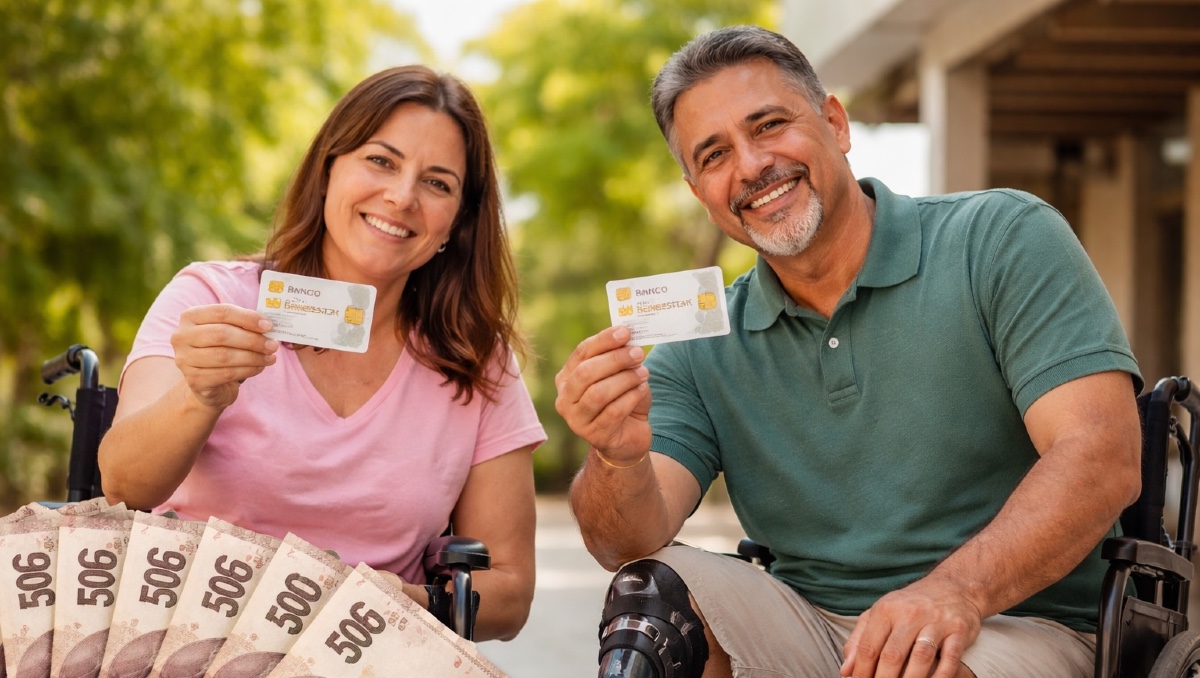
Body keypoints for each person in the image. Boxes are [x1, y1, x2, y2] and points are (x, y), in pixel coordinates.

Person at [556, 25, 1143, 678]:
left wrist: (955, 593)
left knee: (916, 664)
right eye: (714, 155)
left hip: (1015, 625)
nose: (750, 166)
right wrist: (615, 453)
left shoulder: (1001, 239)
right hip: (810, 626)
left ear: (834, 122)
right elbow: (623, 539)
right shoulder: (700, 344)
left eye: (768, 125)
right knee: (652, 595)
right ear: (699, 192)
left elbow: (1101, 455)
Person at [98, 65, 546, 642]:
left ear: (456, 224)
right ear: (328, 169)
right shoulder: (212, 298)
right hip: (188, 641)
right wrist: (198, 396)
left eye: (437, 183)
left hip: (366, 648)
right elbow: (122, 487)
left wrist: (403, 600)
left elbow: (510, 595)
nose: (402, 196)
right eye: (381, 161)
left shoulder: (476, 358)